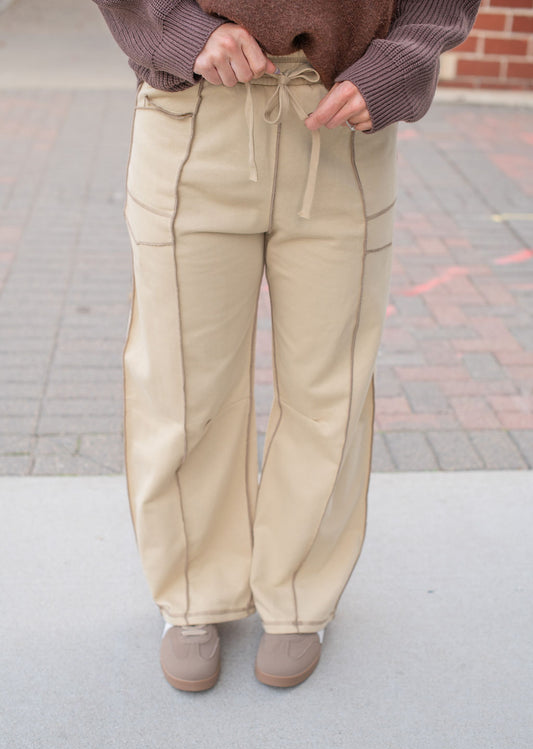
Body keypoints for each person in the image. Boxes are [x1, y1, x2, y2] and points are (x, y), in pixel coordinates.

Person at [93, 0, 480, 691]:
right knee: (182, 384)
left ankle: (299, 594)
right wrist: (179, 28)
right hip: (195, 115)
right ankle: (192, 593)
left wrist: (404, 58)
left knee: (325, 386)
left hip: (340, 117)